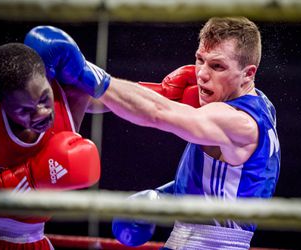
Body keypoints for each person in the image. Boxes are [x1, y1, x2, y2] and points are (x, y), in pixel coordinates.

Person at [26, 16, 281, 249]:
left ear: (248, 74)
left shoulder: (238, 122)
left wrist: (85, 72)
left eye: (217, 66)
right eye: (200, 59)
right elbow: (232, 182)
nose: (202, 74)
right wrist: (162, 196)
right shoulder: (260, 103)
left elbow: (157, 113)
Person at [0, 28, 109, 249]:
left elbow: (117, 99)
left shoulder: (72, 92)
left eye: (44, 99)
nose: (42, 113)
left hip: (34, 239)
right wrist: (22, 181)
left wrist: (166, 93)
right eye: (25, 110)